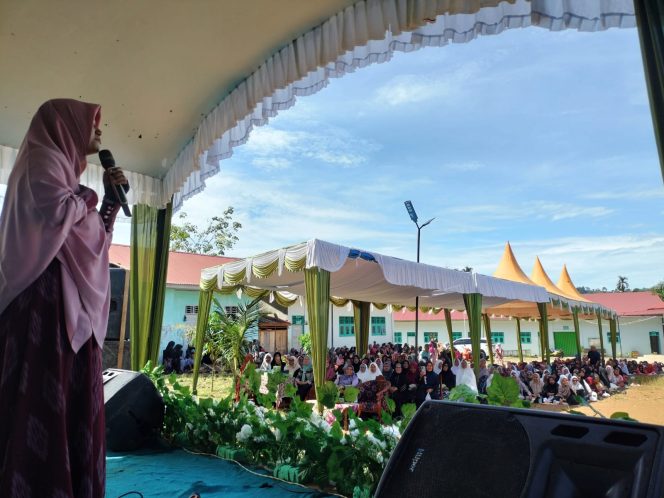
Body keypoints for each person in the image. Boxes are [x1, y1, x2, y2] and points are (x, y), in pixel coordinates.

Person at [0, 99, 128, 497]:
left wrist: (108, 200)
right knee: (39, 406)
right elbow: (58, 214)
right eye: (92, 122)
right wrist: (90, 198)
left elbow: (94, 243)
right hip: (44, 307)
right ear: (65, 125)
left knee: (72, 410)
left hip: (71, 313)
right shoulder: (43, 160)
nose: (100, 131)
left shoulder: (70, 179)